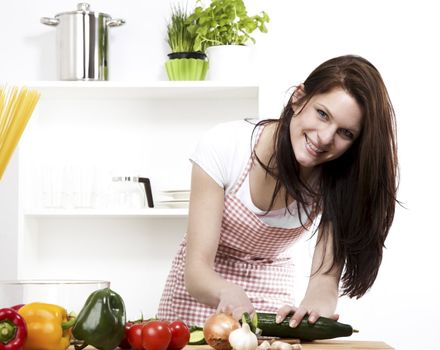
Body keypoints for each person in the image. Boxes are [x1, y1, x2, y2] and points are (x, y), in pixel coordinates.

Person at [157, 55, 398, 328]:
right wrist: (228, 291)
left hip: (270, 293)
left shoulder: (336, 181)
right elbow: (197, 271)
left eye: (345, 133)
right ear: (298, 99)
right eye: (322, 114)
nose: (325, 137)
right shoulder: (225, 145)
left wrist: (312, 314)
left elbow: (324, 280)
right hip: (203, 291)